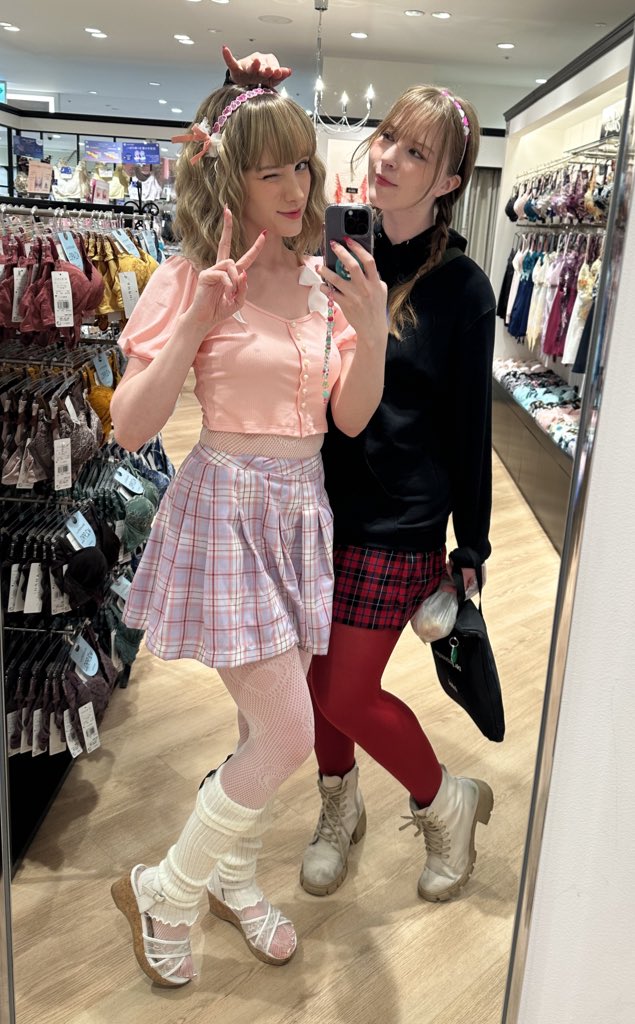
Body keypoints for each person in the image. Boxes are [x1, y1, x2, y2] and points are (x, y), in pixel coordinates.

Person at [109, 81, 388, 987]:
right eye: (270, 172)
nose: (295, 187)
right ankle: (166, 888)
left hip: (301, 511)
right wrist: (196, 318)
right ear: (227, 179)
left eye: (301, 165)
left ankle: (233, 876)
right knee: (287, 733)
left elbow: (349, 419)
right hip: (225, 511)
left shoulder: (320, 279)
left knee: (256, 724)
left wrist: (372, 332)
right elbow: (130, 428)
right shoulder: (189, 277)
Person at [224, 49, 496, 904]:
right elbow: (234, 206)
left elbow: (470, 425)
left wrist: (472, 543)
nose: (388, 158)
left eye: (415, 152)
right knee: (312, 687)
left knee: (347, 689)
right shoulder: (330, 249)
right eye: (386, 138)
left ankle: (444, 801)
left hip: (399, 519)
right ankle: (337, 807)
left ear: (448, 181)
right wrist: (246, 99)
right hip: (312, 505)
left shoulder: (461, 288)